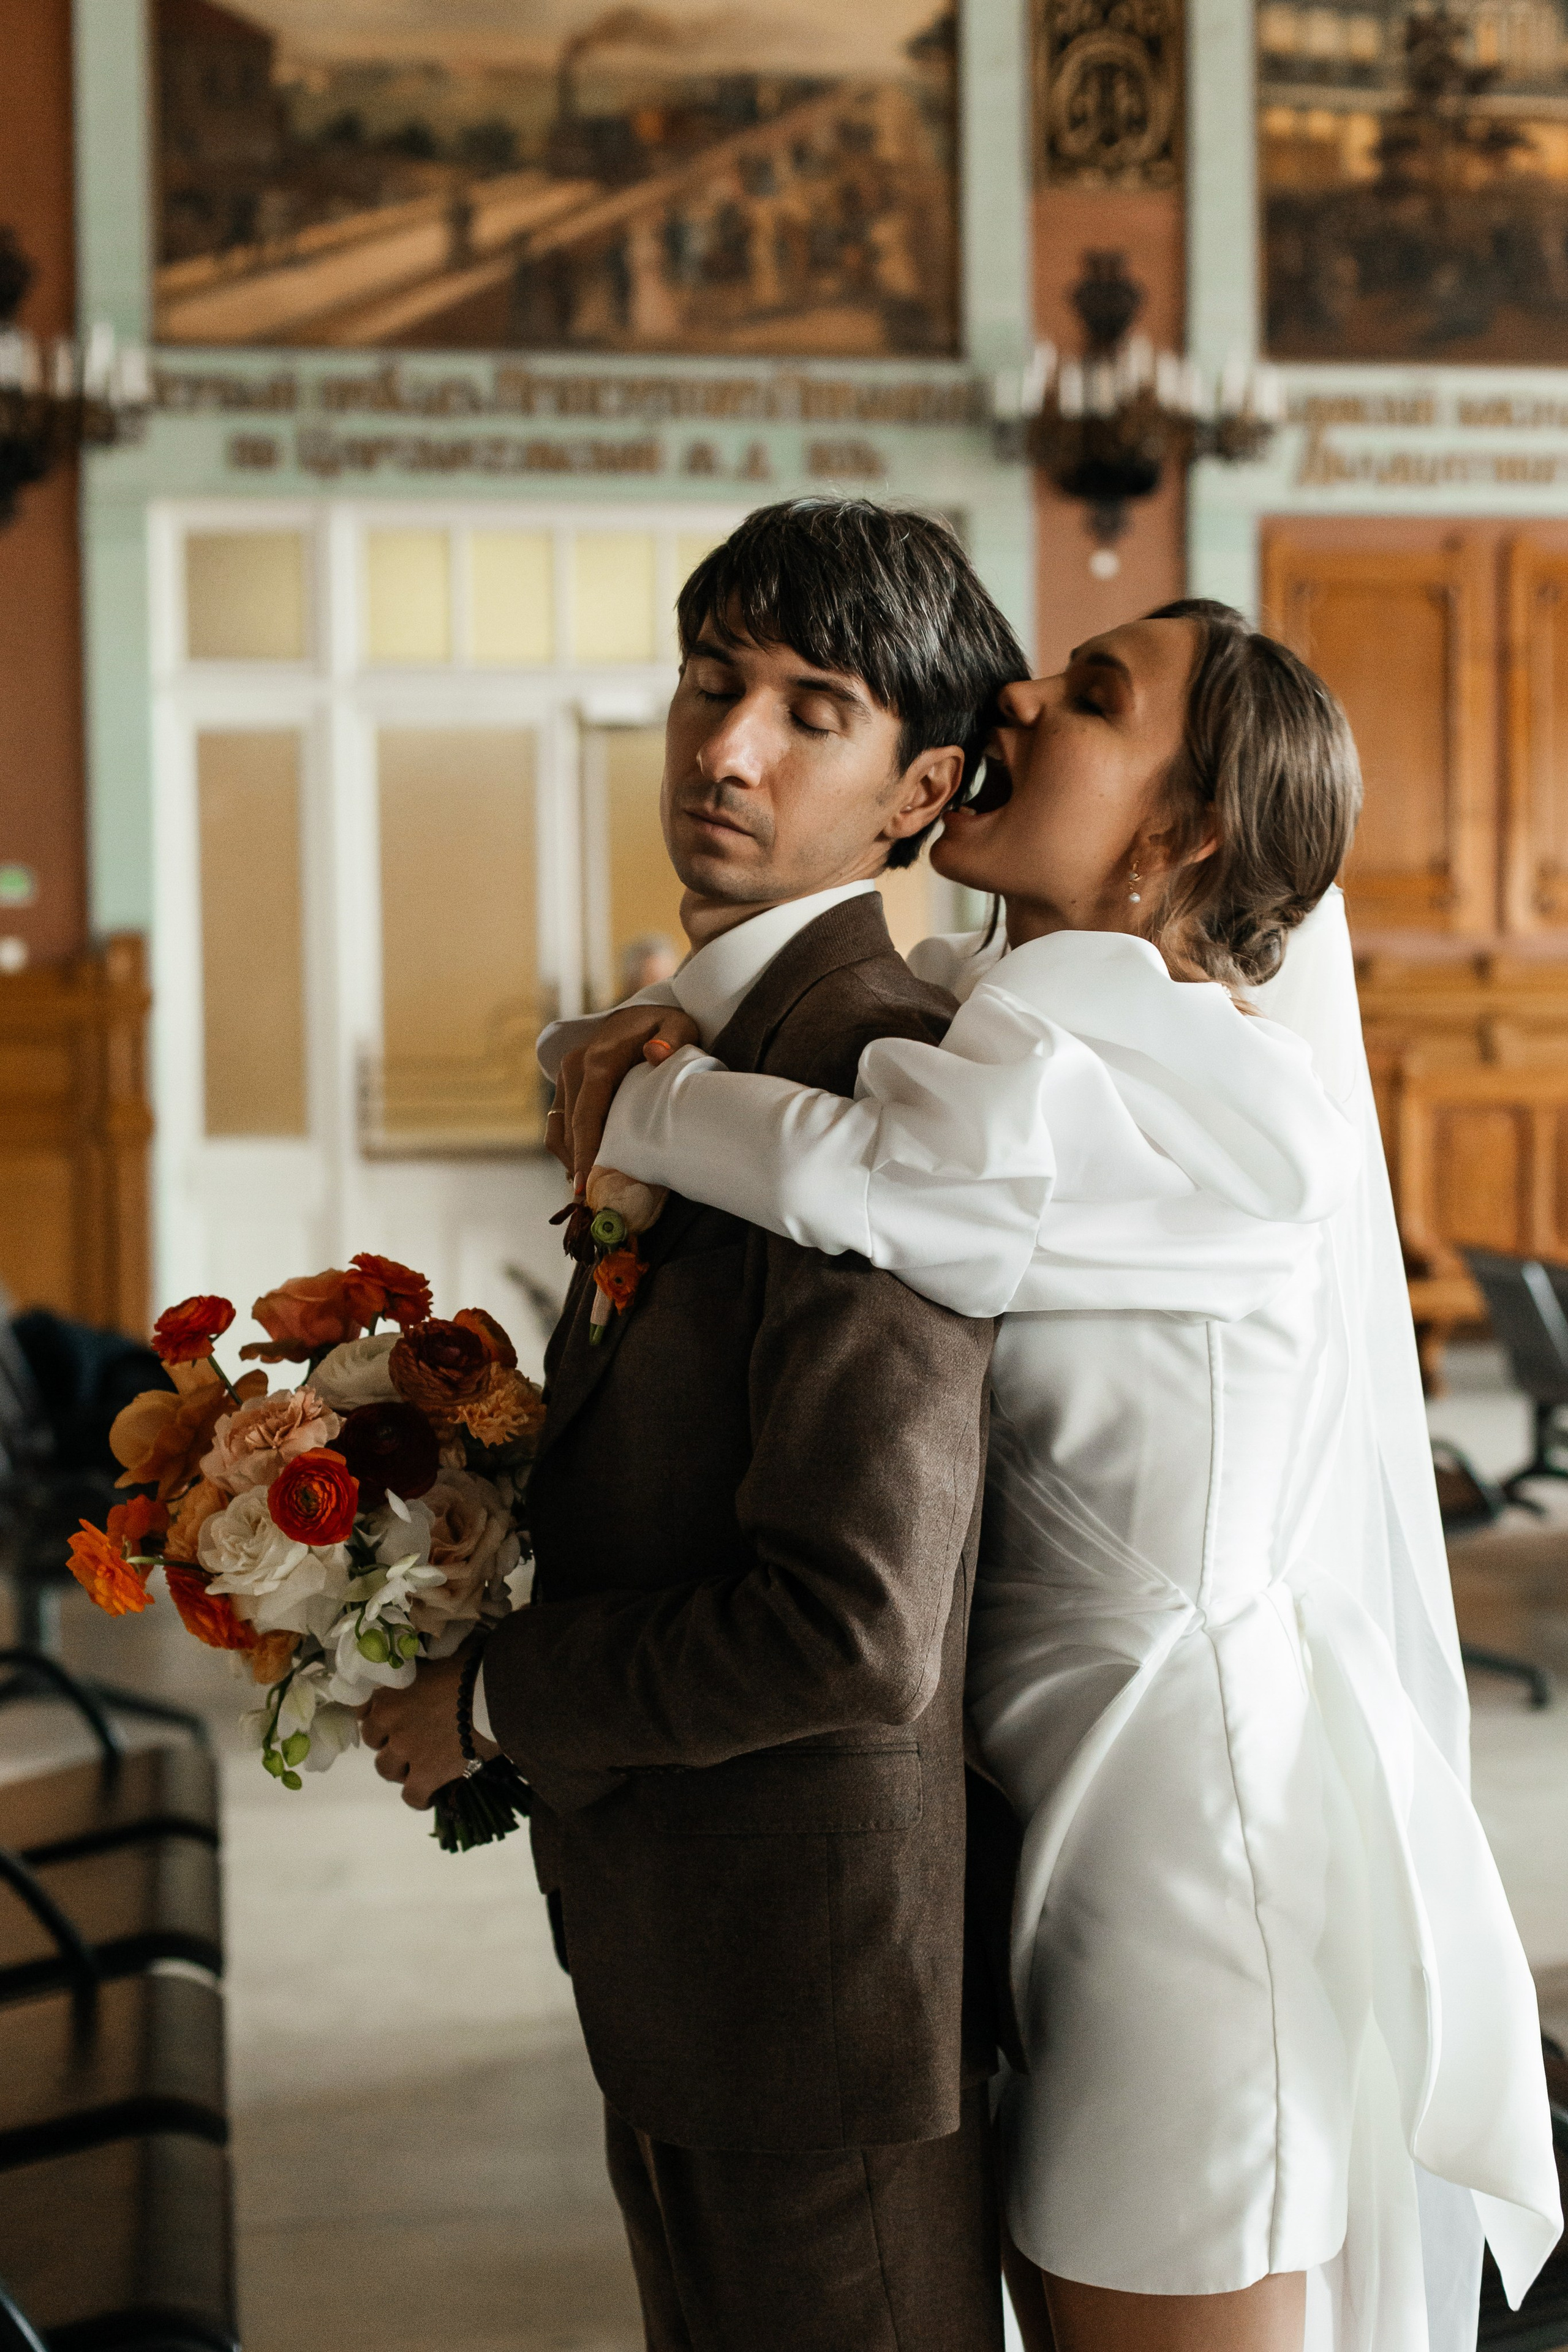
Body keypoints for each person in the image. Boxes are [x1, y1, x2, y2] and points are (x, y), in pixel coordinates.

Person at [549, 600, 1563, 2352]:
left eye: (1092, 697)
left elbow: (892, 1185)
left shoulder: (1224, 1099)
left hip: (1183, 1859)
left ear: (1180, 839)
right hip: (1041, 1820)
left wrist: (639, 1097)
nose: (1016, 696)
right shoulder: (1025, 1022)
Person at [359, 498, 1032, 2352]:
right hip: (687, 1952)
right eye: (710, 682)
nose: (726, 748)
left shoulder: (875, 1080)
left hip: (816, 2003)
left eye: (814, 712)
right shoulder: (692, 1056)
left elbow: (854, 1626)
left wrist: (492, 1696)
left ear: (922, 790)